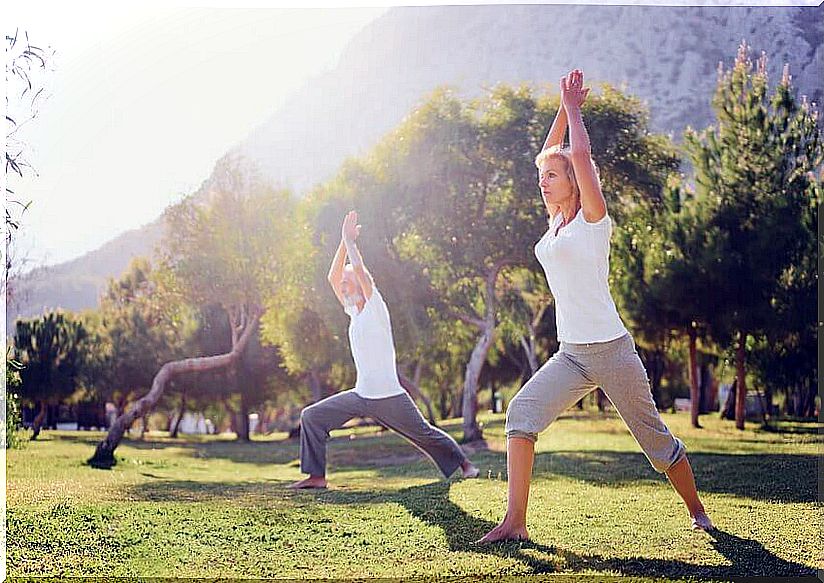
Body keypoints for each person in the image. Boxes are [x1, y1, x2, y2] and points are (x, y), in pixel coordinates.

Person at [478, 70, 713, 542]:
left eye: (553, 177)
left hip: (611, 350)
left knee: (654, 441)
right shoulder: (556, 224)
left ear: (576, 182)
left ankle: (697, 511)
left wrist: (576, 113)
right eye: (542, 177)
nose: (543, 182)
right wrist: (561, 113)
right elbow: (552, 156)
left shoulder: (592, 221)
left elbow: (578, 156)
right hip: (571, 354)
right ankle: (515, 522)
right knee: (521, 415)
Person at [288, 211, 480, 489]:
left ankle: (465, 465)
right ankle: (316, 477)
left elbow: (361, 271)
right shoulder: (353, 311)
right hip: (361, 394)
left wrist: (352, 245)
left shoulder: (375, 307)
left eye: (348, 283)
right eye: (344, 284)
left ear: (361, 285)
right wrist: (343, 241)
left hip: (389, 395)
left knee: (423, 433)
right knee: (311, 416)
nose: (342, 286)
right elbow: (332, 276)